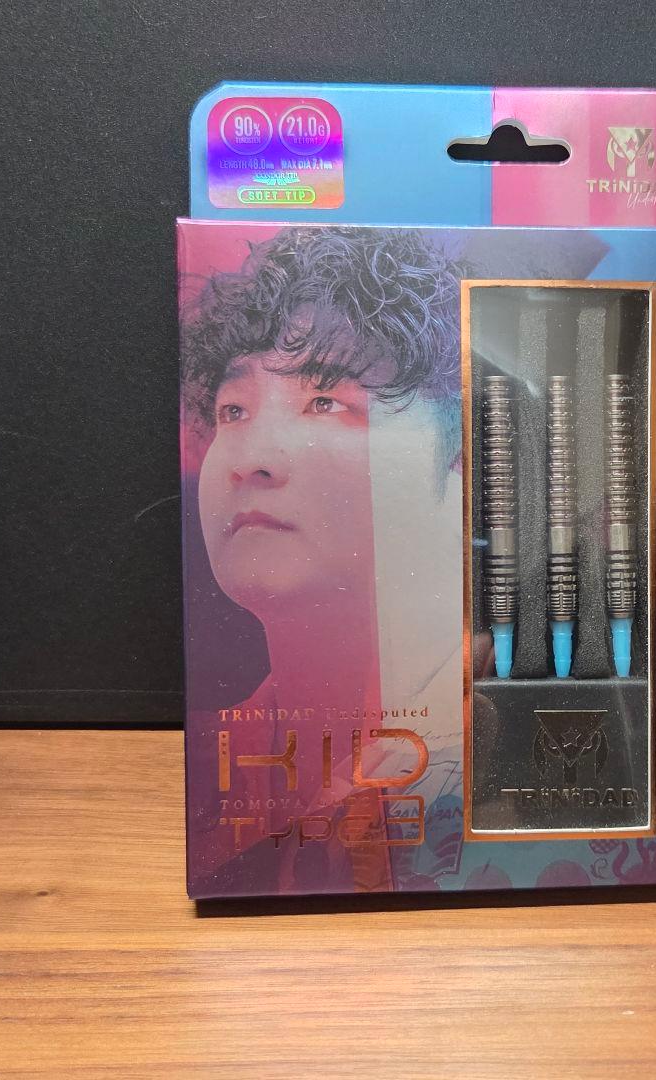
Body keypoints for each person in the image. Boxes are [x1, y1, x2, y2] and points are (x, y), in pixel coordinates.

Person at [181, 226, 467, 894]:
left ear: (459, 466)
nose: (251, 458)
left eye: (325, 403)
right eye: (233, 409)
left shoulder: (515, 751)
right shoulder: (214, 767)